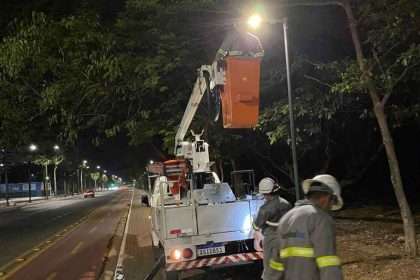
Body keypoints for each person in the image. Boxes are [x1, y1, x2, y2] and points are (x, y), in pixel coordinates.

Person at [264, 174, 344, 280]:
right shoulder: (321, 219)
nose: (330, 208)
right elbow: (328, 264)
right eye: (332, 203)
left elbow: (275, 265)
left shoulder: (286, 219)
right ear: (328, 197)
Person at [253, 177, 291, 279]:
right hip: (287, 238)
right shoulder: (286, 203)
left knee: (271, 269)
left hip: (271, 240)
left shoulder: (264, 209)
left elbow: (256, 226)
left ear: (263, 193)